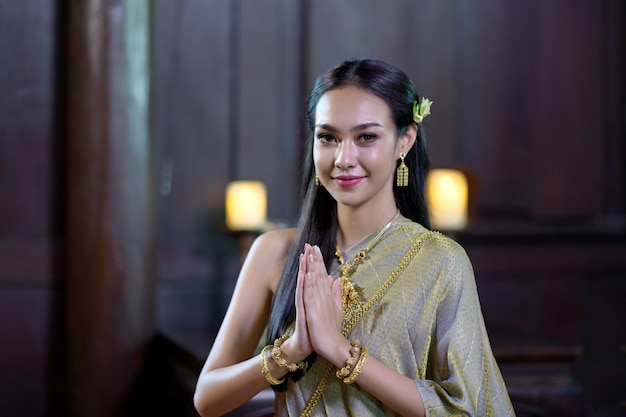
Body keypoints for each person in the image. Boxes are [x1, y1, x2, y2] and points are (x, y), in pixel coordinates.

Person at [194, 59, 515, 417]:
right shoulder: (274, 251)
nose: (344, 158)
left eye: (366, 137)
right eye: (328, 138)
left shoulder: (441, 261)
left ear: (404, 140)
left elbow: (464, 409)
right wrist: (292, 350)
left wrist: (340, 350)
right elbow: (207, 398)